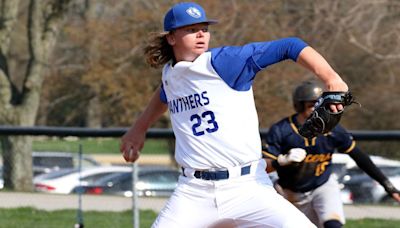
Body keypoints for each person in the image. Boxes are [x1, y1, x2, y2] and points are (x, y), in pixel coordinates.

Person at [120, 2, 348, 227]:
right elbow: (163, 95)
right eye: (191, 30)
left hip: (248, 188)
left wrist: (331, 78)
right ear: (171, 38)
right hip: (193, 191)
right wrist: (139, 128)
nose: (201, 35)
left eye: (204, 29)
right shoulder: (171, 74)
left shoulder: (225, 63)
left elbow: (289, 45)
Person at [262, 80, 400, 228]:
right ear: (299, 105)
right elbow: (264, 167)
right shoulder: (281, 130)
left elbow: (360, 158)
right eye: (311, 104)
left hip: (323, 185)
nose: (317, 109)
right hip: (290, 192)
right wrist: (280, 161)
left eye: (319, 104)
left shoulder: (332, 129)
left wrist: (387, 186)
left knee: (333, 224)